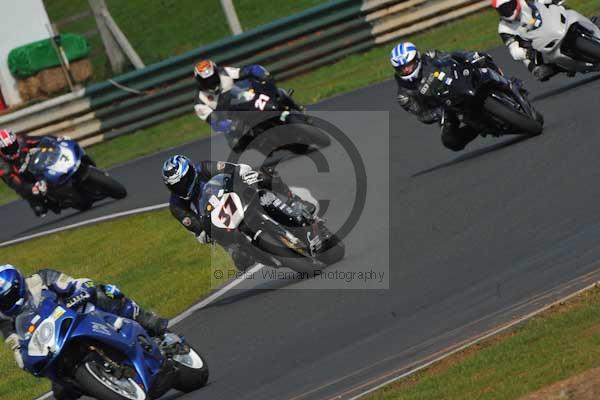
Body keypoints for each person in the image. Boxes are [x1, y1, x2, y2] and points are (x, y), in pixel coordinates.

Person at [162, 155, 316, 271]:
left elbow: (230, 168)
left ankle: (293, 201)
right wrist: (202, 232)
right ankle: (262, 253)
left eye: (184, 181)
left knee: (264, 176)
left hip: (234, 197)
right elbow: (195, 226)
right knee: (241, 261)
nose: (182, 187)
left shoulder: (203, 168)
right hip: (218, 223)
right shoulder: (176, 205)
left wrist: (241, 172)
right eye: (176, 186)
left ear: (191, 171)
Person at [0, 264, 169, 370]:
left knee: (105, 293)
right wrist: (24, 358)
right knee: (61, 390)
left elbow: (79, 283)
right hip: (54, 343)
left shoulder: (41, 278)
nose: (6, 303)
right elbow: (18, 348)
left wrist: (78, 295)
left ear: (18, 285)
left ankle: (145, 320)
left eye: (8, 297)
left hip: (79, 315)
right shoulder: (6, 321)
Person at [391, 42, 492, 151]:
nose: (406, 70)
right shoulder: (404, 95)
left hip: (457, 82)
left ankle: (504, 81)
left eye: (408, 65)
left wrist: (470, 56)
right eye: (401, 68)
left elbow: (452, 57)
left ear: (416, 59)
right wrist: (440, 112)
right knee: (450, 140)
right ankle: (477, 127)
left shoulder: (430, 56)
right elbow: (422, 115)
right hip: (447, 108)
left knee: (480, 60)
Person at [492, 0, 600, 81]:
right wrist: (524, 53)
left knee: (562, 7)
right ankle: (559, 67)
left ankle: (586, 24)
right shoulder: (504, 28)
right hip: (536, 45)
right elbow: (513, 48)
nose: (507, 10)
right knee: (539, 73)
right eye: (503, 9)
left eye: (508, 5)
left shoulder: (525, 2)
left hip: (552, 23)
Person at [193, 59, 271, 135]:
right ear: (199, 81)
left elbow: (246, 71)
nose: (210, 82)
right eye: (206, 81)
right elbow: (214, 122)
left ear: (217, 73)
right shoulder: (200, 102)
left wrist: (259, 73)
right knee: (237, 144)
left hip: (245, 101)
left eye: (212, 78)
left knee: (272, 99)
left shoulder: (225, 72)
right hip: (231, 120)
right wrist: (231, 125)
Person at [0, 129, 49, 216]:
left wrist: (56, 140)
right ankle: (35, 203)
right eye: (7, 149)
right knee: (38, 206)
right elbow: (14, 182)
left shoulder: (21, 140)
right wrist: (31, 188)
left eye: (13, 146)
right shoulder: (2, 165)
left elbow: (41, 139)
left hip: (36, 164)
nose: (12, 150)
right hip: (22, 178)